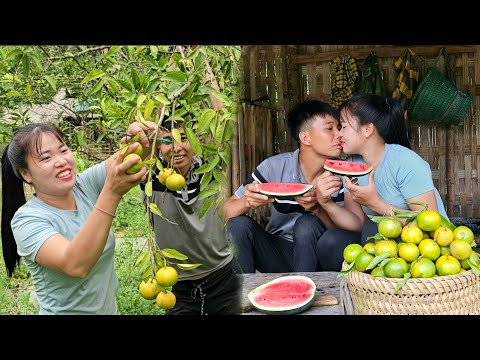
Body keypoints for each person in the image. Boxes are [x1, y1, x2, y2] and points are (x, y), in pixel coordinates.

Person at [1, 123, 146, 315]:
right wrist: (111, 192)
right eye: (46, 157)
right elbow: (75, 264)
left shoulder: (84, 186)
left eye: (63, 150)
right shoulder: (27, 220)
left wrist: (141, 137)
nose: (61, 161)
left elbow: (129, 159)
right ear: (26, 174)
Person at [223, 100, 366, 273]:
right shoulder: (273, 168)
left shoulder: (344, 173)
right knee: (237, 225)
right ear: (305, 137)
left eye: (339, 128)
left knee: (307, 224)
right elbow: (225, 211)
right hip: (277, 254)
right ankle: (240, 294)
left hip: (320, 257)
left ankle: (303, 289)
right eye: (330, 129)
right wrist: (248, 202)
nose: (339, 135)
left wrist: (319, 209)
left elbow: (355, 228)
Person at [124, 116, 242, 315]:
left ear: (195, 140)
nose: (177, 148)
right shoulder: (152, 175)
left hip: (225, 280)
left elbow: (222, 120)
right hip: (179, 290)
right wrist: (134, 131)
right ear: (158, 147)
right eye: (168, 140)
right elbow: (133, 148)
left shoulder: (210, 169)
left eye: (184, 138)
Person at [336, 93, 449, 245]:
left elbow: (430, 223)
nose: (338, 134)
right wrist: (323, 204)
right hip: (384, 237)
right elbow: (357, 222)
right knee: (331, 242)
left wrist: (375, 203)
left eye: (343, 126)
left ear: (368, 129)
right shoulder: (351, 163)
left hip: (428, 243)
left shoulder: (406, 162)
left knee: (372, 229)